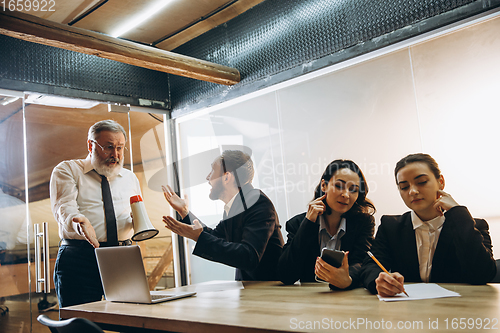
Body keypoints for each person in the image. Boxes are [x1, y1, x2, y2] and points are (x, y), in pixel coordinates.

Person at [361, 153, 497, 296]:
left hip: (458, 310)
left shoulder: (472, 225)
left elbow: (483, 274)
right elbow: (370, 266)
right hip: (407, 312)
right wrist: (379, 280)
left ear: (441, 182)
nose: (413, 191)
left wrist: (457, 211)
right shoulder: (391, 227)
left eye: (422, 182)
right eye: (404, 187)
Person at [50, 119, 142, 308]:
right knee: (80, 321)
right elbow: (64, 208)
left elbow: (136, 212)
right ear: (90, 145)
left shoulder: (130, 178)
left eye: (120, 148)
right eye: (108, 147)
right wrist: (79, 223)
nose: (115, 154)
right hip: (80, 258)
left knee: (132, 318)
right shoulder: (67, 170)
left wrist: (140, 224)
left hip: (122, 256)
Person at [162, 150, 284, 281]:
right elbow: (215, 236)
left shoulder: (258, 203)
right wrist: (184, 212)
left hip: (271, 292)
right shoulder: (234, 207)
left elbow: (249, 256)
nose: (208, 177)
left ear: (227, 177)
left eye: (213, 171)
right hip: (252, 290)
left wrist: (199, 236)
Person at [278, 159, 375, 289]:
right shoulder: (298, 223)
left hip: (348, 298)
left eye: (353, 189)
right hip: (310, 300)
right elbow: (285, 275)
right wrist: (308, 224)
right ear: (324, 186)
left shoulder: (363, 223)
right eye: (339, 186)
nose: (346, 195)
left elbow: (362, 263)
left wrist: (348, 279)